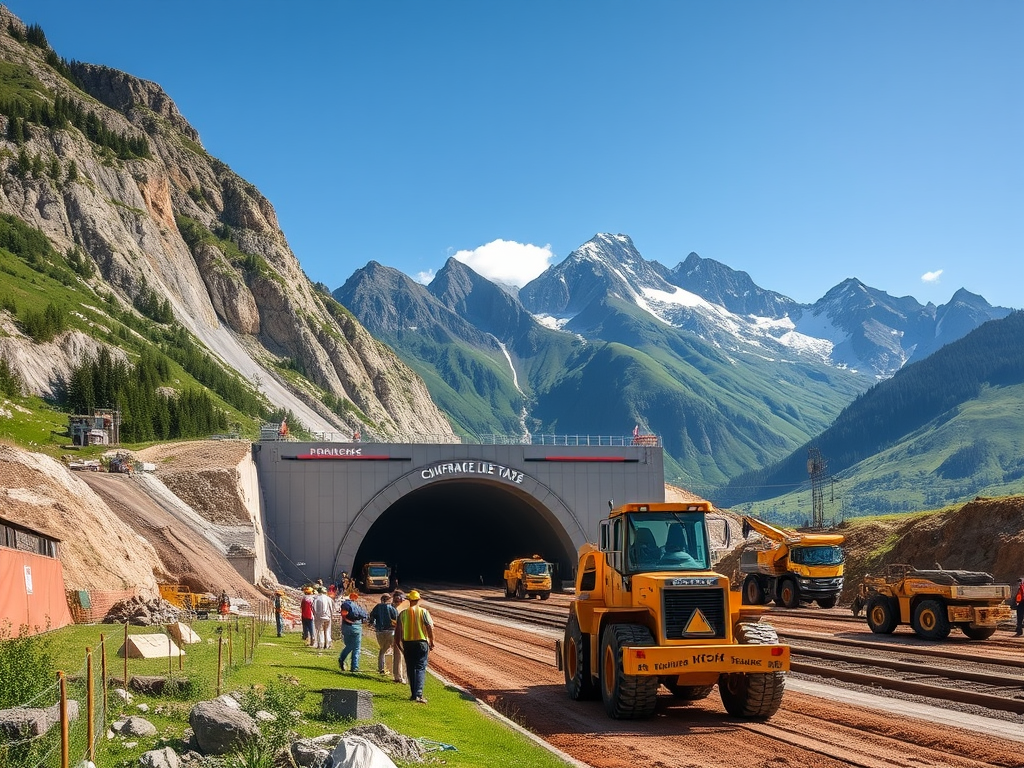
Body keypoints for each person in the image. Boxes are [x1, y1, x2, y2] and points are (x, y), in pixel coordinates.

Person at [395, 589, 434, 703]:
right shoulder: (424, 612)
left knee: (411, 669)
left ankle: (413, 695)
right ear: (418, 600)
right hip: (421, 643)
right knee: (420, 668)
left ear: (409, 600)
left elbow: (398, 632)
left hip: (408, 644)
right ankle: (419, 695)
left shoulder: (403, 614)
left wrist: (399, 644)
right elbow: (429, 627)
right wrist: (431, 641)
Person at [337, 591, 368, 671]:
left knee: (349, 646)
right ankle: (354, 667)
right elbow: (365, 617)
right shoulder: (358, 607)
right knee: (356, 648)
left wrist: (347, 621)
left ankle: (342, 658)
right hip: (357, 627)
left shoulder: (346, 604)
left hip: (347, 627)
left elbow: (344, 614)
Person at [368, 593, 398, 675]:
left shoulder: (377, 607)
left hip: (380, 632)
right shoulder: (392, 608)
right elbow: (396, 618)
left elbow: (372, 616)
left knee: (382, 650)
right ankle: (388, 669)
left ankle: (381, 668)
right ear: (388, 599)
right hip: (390, 631)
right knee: (389, 649)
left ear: (382, 599)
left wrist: (371, 623)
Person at [390, 589, 407, 684]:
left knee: (398, 655)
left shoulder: (392, 607)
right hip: (398, 634)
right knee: (400, 655)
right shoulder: (398, 610)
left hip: (394, 632)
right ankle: (399, 676)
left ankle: (397, 675)